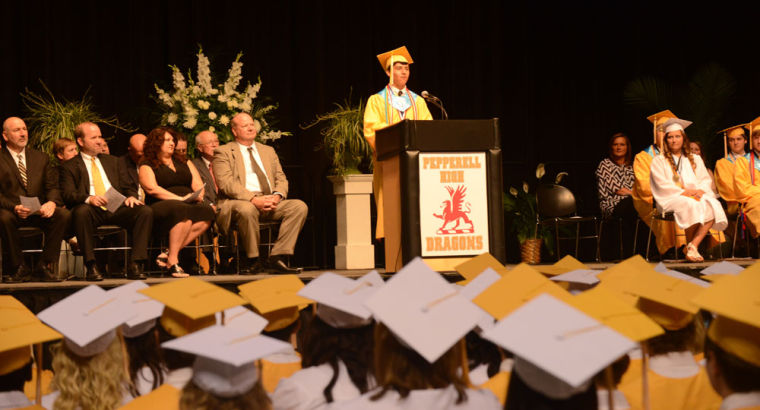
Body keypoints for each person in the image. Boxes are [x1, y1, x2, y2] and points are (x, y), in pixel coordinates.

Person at [213, 112, 308, 274]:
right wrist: (253, 199)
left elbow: (281, 178)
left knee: (298, 206)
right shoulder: (224, 152)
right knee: (247, 209)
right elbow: (226, 184)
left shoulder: (268, 151)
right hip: (239, 201)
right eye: (245, 126)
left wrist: (277, 197)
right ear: (234, 131)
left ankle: (278, 256)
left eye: (252, 124)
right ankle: (253, 260)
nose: (250, 128)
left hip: (269, 200)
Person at [60, 121, 152, 281]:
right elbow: (68, 194)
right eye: (94, 137)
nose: (99, 141)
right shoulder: (70, 166)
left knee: (144, 211)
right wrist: (89, 198)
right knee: (81, 212)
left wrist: (130, 196)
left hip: (115, 206)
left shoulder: (113, 161)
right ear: (80, 142)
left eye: (100, 137)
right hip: (91, 209)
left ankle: (136, 263)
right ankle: (91, 265)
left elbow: (127, 185)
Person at [363, 46, 432, 240]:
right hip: (389, 162)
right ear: (387, 72)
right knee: (391, 207)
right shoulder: (376, 100)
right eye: (399, 67)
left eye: (407, 68)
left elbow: (428, 127)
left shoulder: (419, 101)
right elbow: (371, 129)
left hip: (415, 164)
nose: (404, 71)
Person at [0, 117, 71, 283]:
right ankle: (19, 267)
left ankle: (44, 266)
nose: (23, 133)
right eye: (17, 130)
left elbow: (53, 187)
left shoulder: (41, 158)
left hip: (38, 211)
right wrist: (14, 207)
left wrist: (52, 203)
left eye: (24, 129)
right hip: (12, 211)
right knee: (3, 217)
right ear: (5, 136)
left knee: (63, 215)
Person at [139, 127, 214, 277]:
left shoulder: (183, 161)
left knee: (208, 211)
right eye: (167, 140)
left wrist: (198, 195)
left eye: (172, 140)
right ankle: (173, 262)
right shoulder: (147, 164)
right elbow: (152, 189)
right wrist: (179, 199)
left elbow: (198, 183)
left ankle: (168, 253)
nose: (172, 143)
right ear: (156, 143)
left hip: (187, 202)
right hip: (161, 203)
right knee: (181, 211)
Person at [649, 118, 727, 262]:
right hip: (670, 198)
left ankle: (692, 246)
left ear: (683, 139)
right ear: (666, 140)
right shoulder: (659, 161)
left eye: (677, 136)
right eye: (670, 137)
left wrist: (700, 190)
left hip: (694, 196)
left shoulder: (695, 159)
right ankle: (692, 249)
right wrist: (684, 192)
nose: (674, 140)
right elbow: (661, 185)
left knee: (712, 204)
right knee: (691, 203)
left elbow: (705, 180)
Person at [632, 110, 685, 257]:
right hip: (649, 201)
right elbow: (644, 185)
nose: (665, 134)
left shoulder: (677, 157)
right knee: (669, 209)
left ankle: (691, 246)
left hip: (675, 196)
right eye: (661, 130)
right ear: (654, 133)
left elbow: (680, 180)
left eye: (668, 130)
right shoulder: (643, 157)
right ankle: (672, 249)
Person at [595, 132, 637, 258]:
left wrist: (631, 193)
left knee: (644, 206)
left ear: (627, 147)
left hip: (631, 203)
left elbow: (638, 188)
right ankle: (628, 254)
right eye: (615, 144)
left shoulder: (633, 166)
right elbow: (617, 189)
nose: (619, 147)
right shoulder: (605, 165)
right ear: (611, 147)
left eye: (622, 144)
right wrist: (634, 193)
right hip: (611, 204)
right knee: (632, 205)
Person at [192, 130, 227, 274]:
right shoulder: (193, 165)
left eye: (216, 141)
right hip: (207, 205)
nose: (215, 145)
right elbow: (196, 190)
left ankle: (226, 259)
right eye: (210, 143)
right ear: (200, 148)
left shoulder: (226, 163)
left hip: (226, 204)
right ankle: (210, 258)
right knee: (204, 212)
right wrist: (210, 205)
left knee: (231, 212)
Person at [732, 117, 760, 239]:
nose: (759, 141)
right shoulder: (743, 162)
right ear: (750, 140)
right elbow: (742, 190)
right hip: (752, 201)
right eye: (756, 137)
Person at [120, 133, 147, 202]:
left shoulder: (154, 160)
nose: (144, 158)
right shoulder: (121, 165)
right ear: (130, 151)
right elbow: (127, 188)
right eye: (139, 156)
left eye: (146, 154)